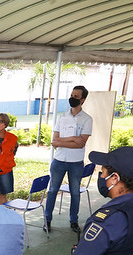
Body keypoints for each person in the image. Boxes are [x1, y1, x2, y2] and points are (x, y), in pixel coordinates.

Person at [44, 85, 93, 232]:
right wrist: (73, 139)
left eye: (76, 97)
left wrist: (63, 141)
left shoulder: (87, 119)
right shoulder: (62, 117)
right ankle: (47, 220)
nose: (72, 98)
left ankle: (73, 221)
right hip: (59, 161)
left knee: (75, 192)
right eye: (71, 95)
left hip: (76, 163)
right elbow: (54, 141)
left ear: (82, 100)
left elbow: (81, 144)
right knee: (52, 191)